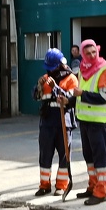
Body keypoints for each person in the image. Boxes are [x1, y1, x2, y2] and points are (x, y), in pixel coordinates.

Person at [71, 40, 106, 205]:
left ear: (97, 51)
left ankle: (101, 191)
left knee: (100, 158)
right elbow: (78, 95)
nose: (91, 55)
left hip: (98, 122)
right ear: (82, 55)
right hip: (84, 121)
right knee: (89, 157)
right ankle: (93, 186)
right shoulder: (83, 70)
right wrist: (69, 100)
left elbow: (104, 98)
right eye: (87, 53)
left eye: (93, 52)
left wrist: (82, 93)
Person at [33, 49, 76, 196]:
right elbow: (36, 97)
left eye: (53, 68)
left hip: (64, 122)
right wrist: (38, 87)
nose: (50, 72)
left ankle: (61, 186)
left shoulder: (71, 79)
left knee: (64, 155)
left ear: (61, 65)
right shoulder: (45, 78)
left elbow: (71, 100)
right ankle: (44, 185)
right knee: (45, 154)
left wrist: (55, 88)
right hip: (47, 122)